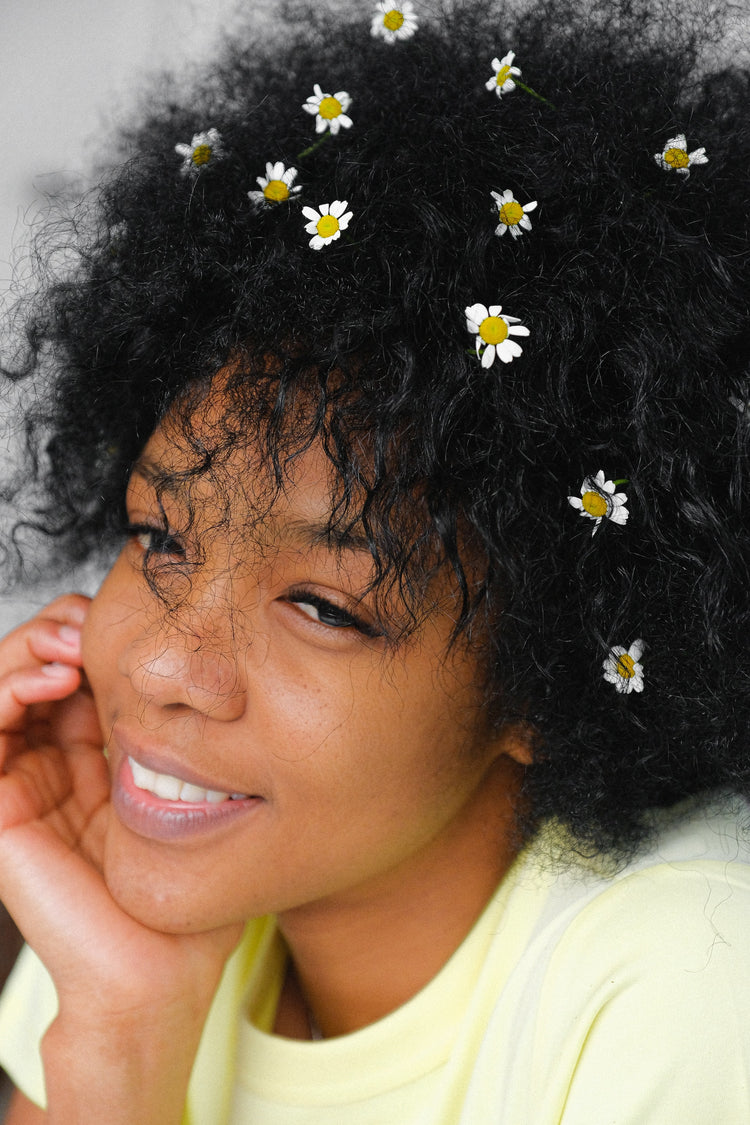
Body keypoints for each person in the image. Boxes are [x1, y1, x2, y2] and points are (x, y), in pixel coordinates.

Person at [0, 0, 748, 1120]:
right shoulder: (137, 909)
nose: (162, 668)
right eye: (159, 537)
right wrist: (120, 1028)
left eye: (324, 606)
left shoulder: (690, 984)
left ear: (548, 672)